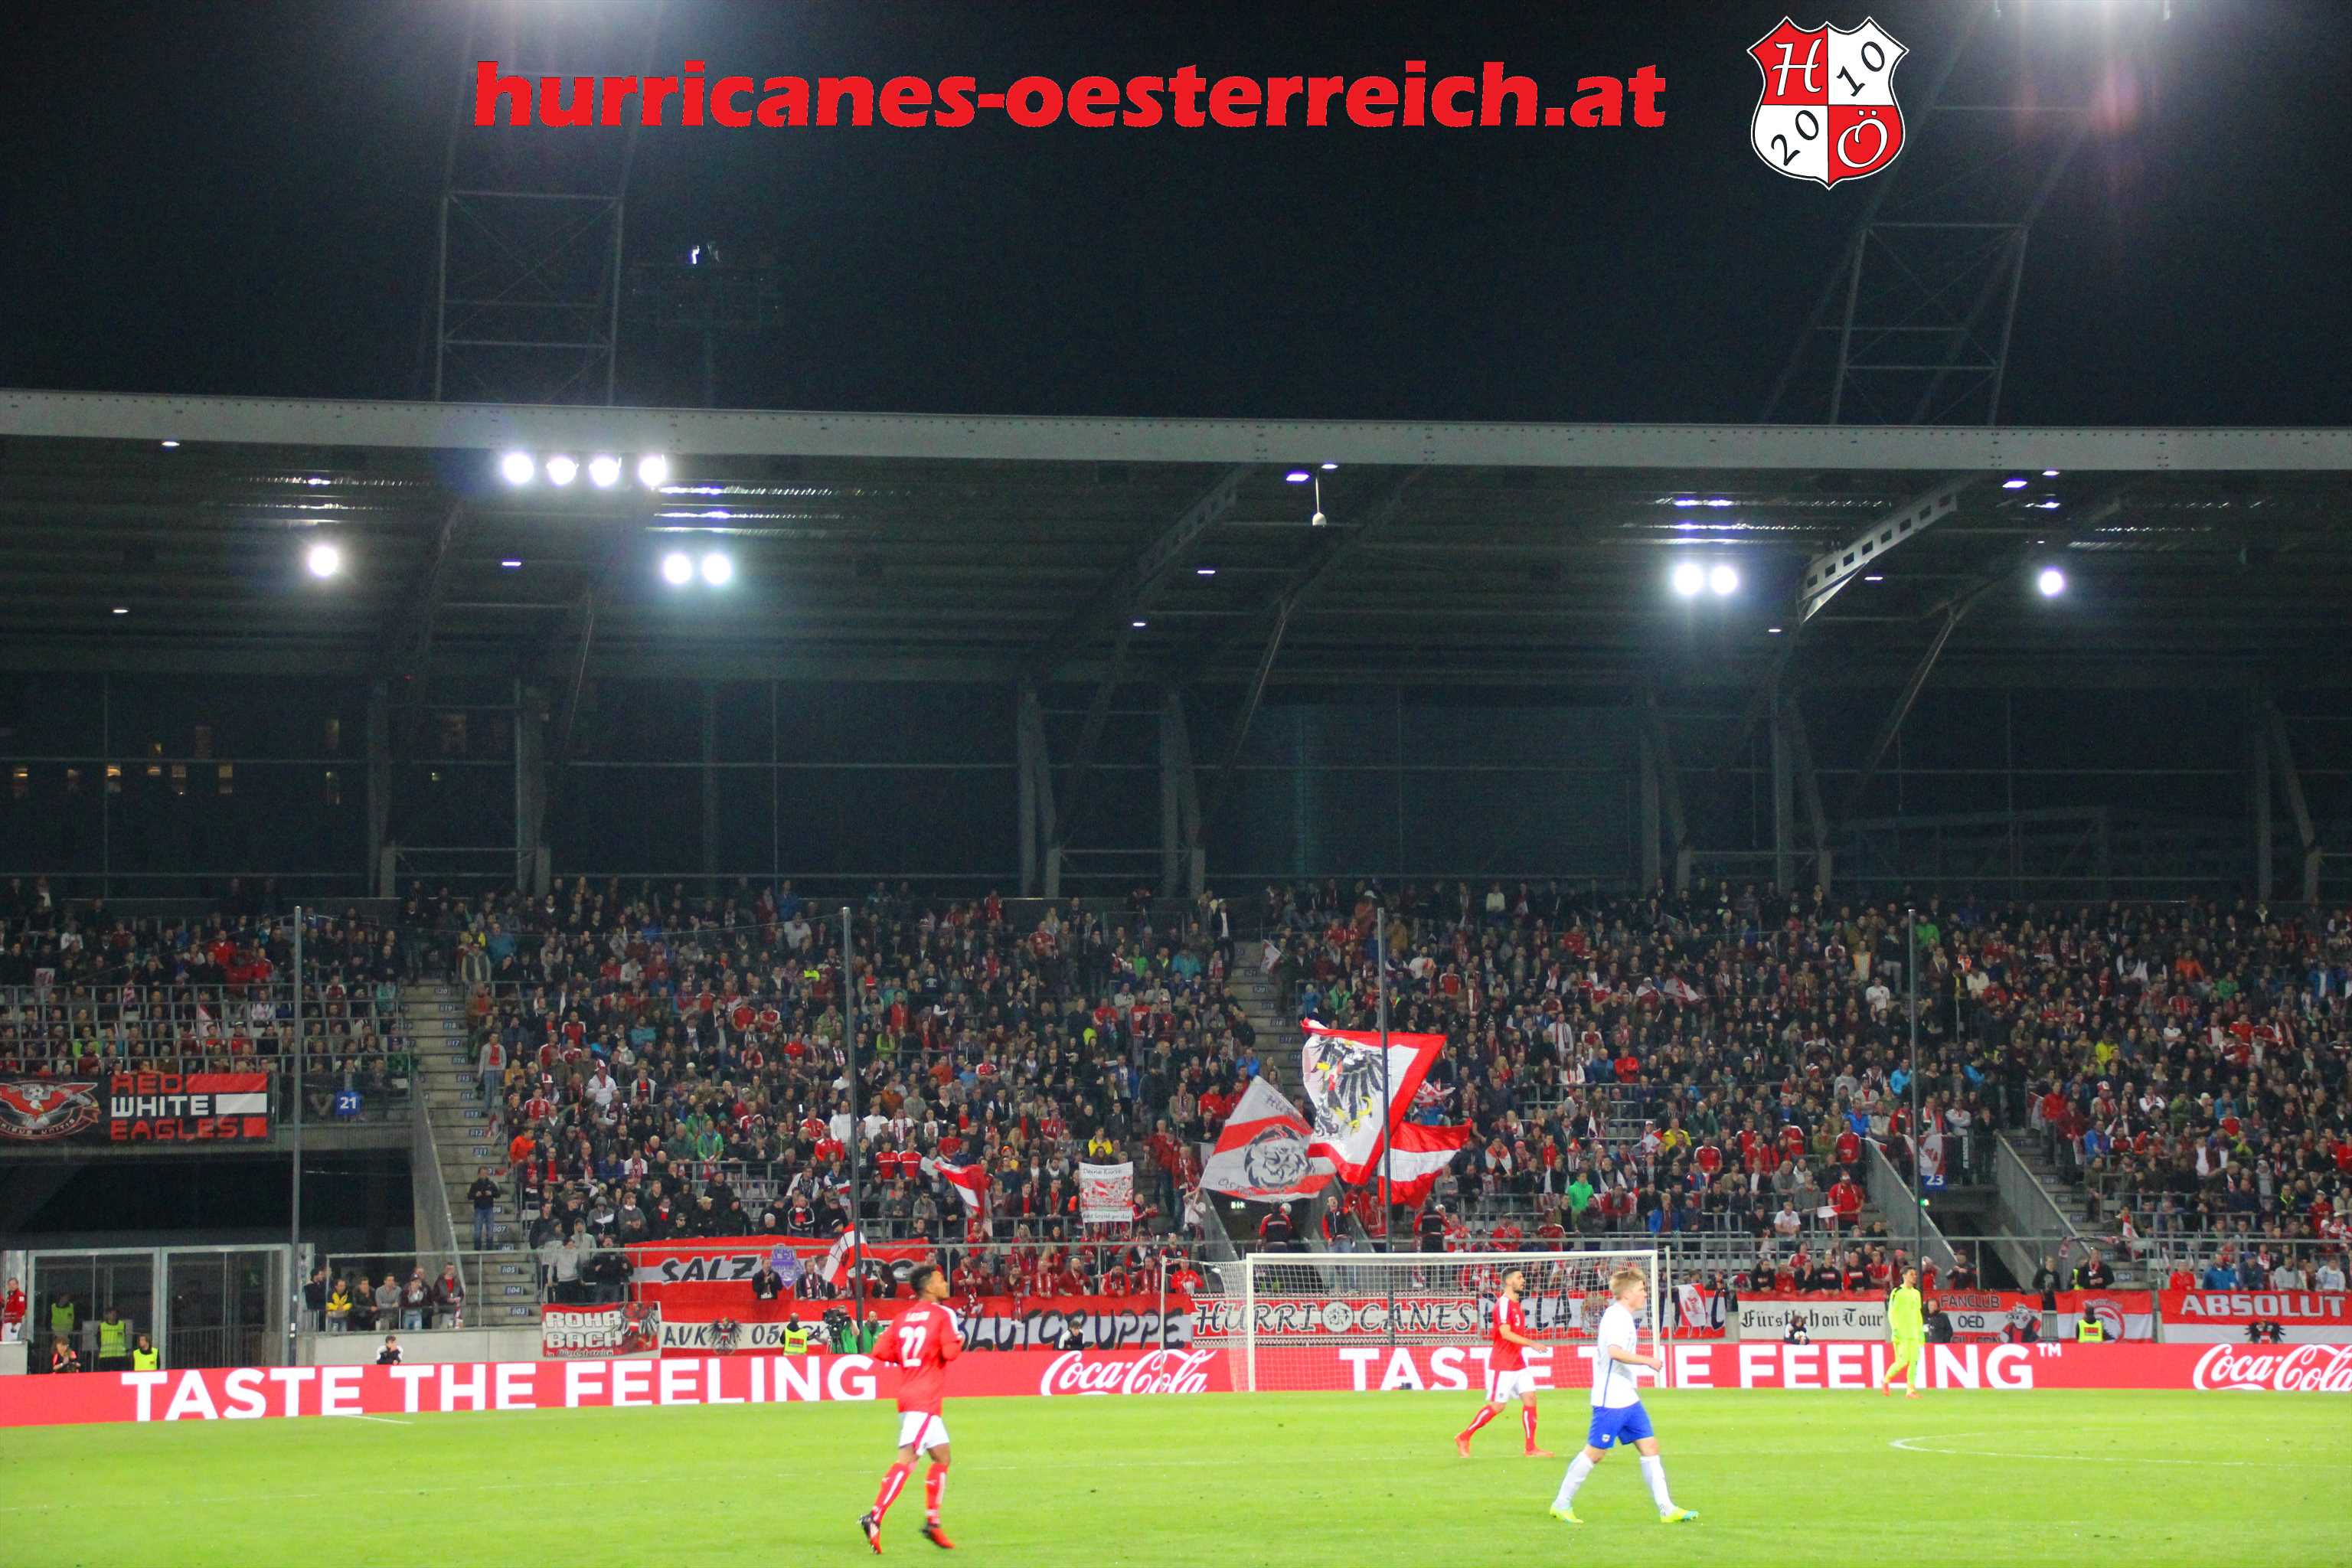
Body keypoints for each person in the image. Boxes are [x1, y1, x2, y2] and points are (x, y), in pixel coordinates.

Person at [1548, 1267, 1694, 1526]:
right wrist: (1647, 1360)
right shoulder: (1616, 1317)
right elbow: (1614, 1352)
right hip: (1611, 1399)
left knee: (1650, 1447)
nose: (1645, 1294)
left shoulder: (1623, 1316)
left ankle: (1667, 1508)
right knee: (1595, 1453)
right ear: (1627, 1294)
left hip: (1628, 1397)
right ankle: (1561, 1504)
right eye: (1641, 1290)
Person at [860, 1263, 962, 1553]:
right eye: (940, 1280)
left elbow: (879, 1351)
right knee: (907, 1459)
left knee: (942, 1455)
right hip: (924, 1399)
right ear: (929, 1287)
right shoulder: (943, 1314)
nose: (945, 1283)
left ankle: (933, 1522)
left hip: (908, 1395)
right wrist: (959, 1341)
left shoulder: (903, 1317)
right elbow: (950, 1353)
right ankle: (874, 1516)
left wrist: (909, 1359)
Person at [1456, 1266, 1552, 1459]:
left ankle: (1530, 1448)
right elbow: (1505, 1333)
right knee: (1498, 1406)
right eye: (1519, 1277)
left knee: (1530, 1398)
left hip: (1517, 1361)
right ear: (1509, 1281)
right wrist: (1532, 1344)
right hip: (1503, 1363)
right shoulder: (1504, 1304)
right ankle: (1464, 1436)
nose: (1523, 1280)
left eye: (1523, 1277)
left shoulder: (1516, 1304)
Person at [1880, 1266, 1924, 1398]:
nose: (1914, 1277)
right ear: (1904, 1276)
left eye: (1915, 1274)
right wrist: (1895, 1330)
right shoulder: (1897, 1292)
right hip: (1902, 1334)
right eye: (1911, 1274)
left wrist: (1921, 1331)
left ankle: (1910, 1390)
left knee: (1914, 1361)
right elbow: (1891, 1312)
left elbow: (1918, 1314)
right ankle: (1885, 1380)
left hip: (1914, 1333)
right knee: (1902, 1361)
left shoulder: (1916, 1293)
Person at [95, 1305, 131, 1373]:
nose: (114, 1315)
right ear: (107, 1315)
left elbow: (126, 1338)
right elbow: (98, 1340)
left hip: (120, 1356)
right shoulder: (102, 1326)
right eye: (111, 1314)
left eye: (115, 1313)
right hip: (106, 1356)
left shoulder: (122, 1325)